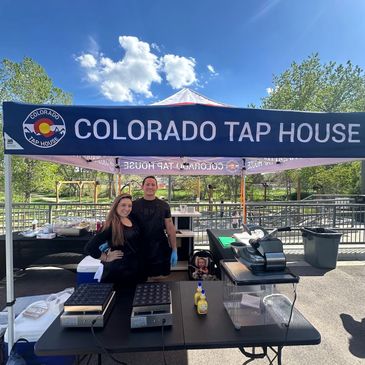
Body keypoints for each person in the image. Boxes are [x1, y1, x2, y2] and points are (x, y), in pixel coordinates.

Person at [85, 193, 145, 289]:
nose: (127, 208)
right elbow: (90, 248)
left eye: (130, 206)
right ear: (116, 206)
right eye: (123, 205)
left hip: (135, 270)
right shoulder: (110, 225)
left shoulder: (132, 220)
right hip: (119, 272)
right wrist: (106, 258)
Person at [131, 176, 177, 278]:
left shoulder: (164, 205)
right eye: (147, 184)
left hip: (159, 248)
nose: (150, 187)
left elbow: (170, 228)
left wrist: (174, 249)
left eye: (153, 184)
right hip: (139, 248)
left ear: (157, 187)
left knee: (159, 279)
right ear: (142, 187)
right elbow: (122, 223)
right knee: (140, 280)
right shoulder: (133, 205)